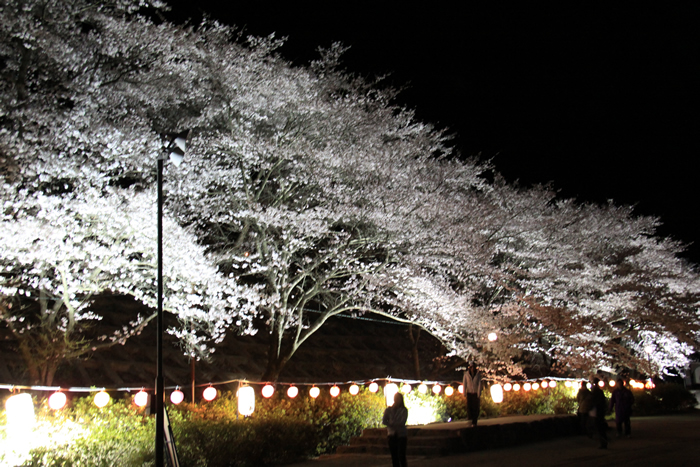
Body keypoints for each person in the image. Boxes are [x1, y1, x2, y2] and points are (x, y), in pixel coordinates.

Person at [383, 392, 408, 467]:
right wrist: (392, 423)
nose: (396, 400)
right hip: (391, 434)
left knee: (401, 455)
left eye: (398, 398)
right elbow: (384, 421)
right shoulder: (389, 410)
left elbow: (402, 421)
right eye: (395, 398)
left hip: (401, 435)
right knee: (394, 457)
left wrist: (391, 423)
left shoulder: (404, 410)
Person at [590, 377, 608, 449]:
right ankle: (603, 441)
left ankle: (603, 442)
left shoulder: (596, 392)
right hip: (599, 411)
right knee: (599, 427)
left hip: (598, 411)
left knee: (599, 427)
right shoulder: (598, 391)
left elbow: (594, 401)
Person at [463, 362, 483, 426]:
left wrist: (479, 393)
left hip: (475, 393)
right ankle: (470, 420)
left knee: (475, 407)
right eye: (471, 367)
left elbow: (479, 384)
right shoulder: (466, 374)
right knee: (469, 407)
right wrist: (464, 393)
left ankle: (474, 421)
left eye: (473, 367)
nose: (472, 369)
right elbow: (464, 383)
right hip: (469, 392)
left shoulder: (478, 374)